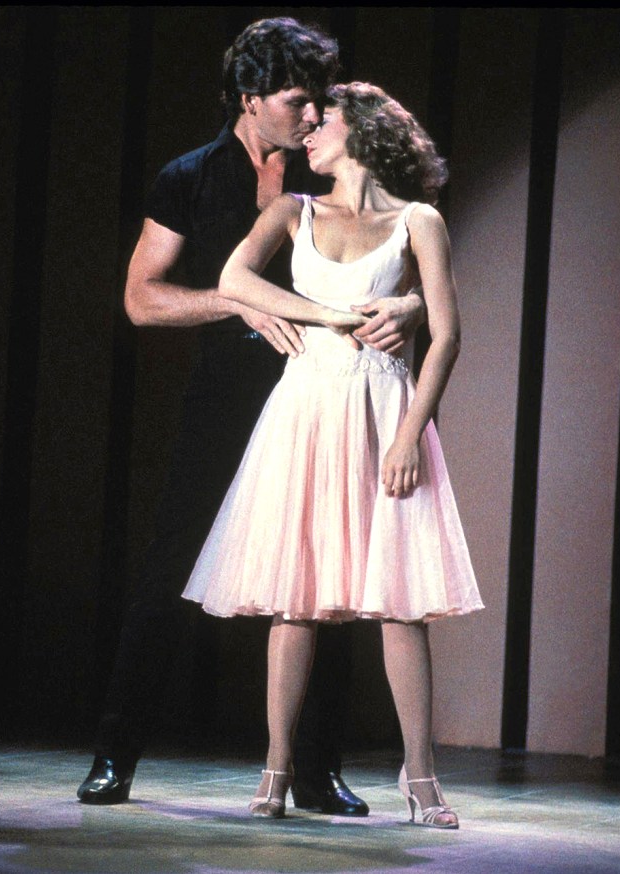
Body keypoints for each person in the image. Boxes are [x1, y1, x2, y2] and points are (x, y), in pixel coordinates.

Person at [77, 20, 425, 813]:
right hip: (230, 395)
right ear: (250, 99)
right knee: (170, 571)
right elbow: (141, 297)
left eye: (318, 106)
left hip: (324, 395)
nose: (311, 119)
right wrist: (233, 299)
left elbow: (401, 247)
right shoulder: (192, 176)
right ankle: (114, 754)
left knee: (326, 577)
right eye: (298, 103)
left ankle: (313, 767)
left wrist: (403, 304)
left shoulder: (328, 180)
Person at [182, 82, 484, 827]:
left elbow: (445, 334)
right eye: (307, 120)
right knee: (294, 598)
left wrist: (411, 433)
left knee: (400, 600)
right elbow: (232, 278)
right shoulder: (294, 211)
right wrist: (325, 315)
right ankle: (276, 771)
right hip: (307, 406)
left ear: (366, 133)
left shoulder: (420, 221)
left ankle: (422, 781)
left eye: (324, 122)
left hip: (383, 409)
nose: (308, 131)